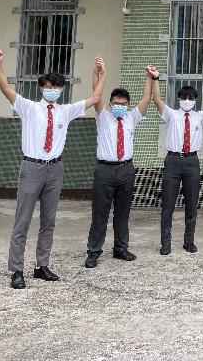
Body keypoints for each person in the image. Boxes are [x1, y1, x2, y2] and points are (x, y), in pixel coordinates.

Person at [0, 50, 105, 289]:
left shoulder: (65, 111)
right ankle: (17, 270)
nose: (53, 90)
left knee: (48, 221)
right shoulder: (30, 107)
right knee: (22, 221)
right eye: (49, 86)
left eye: (58, 87)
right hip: (32, 167)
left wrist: (99, 74)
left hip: (55, 168)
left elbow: (94, 99)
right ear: (42, 88)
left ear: (62, 90)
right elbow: (5, 89)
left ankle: (42, 265)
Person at [151, 68, 203, 255]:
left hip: (192, 162)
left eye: (191, 98)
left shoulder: (199, 116)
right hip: (172, 160)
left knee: (191, 203)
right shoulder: (172, 114)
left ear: (195, 101)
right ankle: (166, 243)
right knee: (168, 204)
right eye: (184, 98)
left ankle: (189, 241)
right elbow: (157, 100)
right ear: (179, 99)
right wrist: (156, 79)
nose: (187, 101)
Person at [84, 64, 154, 268]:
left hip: (126, 169)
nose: (119, 106)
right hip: (104, 170)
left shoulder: (132, 118)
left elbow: (146, 99)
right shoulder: (103, 117)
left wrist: (149, 77)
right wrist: (96, 73)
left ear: (128, 105)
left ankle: (120, 248)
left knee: (123, 212)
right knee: (100, 212)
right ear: (110, 103)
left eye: (123, 103)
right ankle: (94, 251)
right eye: (116, 103)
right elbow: (95, 97)